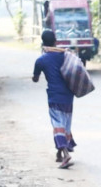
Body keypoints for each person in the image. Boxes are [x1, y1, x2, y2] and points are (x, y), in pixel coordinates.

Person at [32, 30, 77, 169]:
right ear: (55, 41)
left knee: (58, 125)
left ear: (42, 42)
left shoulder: (41, 60)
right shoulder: (65, 55)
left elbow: (35, 79)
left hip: (54, 96)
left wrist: (35, 76)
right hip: (68, 95)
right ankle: (59, 154)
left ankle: (65, 154)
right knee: (65, 124)